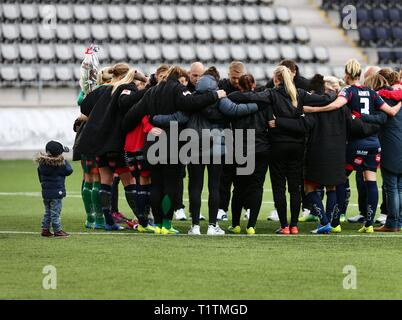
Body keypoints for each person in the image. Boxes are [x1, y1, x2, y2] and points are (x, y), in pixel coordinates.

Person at [122, 65, 227, 235]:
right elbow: (191, 103)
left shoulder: (151, 92)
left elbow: (131, 115)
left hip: (153, 143)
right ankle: (166, 224)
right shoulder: (179, 90)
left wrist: (144, 125)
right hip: (172, 143)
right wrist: (215, 94)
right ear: (180, 78)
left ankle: (157, 224)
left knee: (156, 185)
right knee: (171, 186)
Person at [304, 59, 401, 233]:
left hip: (354, 143)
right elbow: (392, 112)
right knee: (370, 181)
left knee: (340, 181)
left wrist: (312, 109)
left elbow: (335, 105)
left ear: (347, 75)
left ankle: (335, 223)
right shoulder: (371, 92)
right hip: (373, 143)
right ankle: (369, 224)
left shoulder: (348, 91)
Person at [75, 66, 151, 232]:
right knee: (128, 181)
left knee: (105, 181)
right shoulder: (126, 88)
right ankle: (143, 220)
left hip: (99, 142)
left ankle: (108, 221)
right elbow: (126, 103)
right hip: (116, 142)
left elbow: (84, 107)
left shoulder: (102, 90)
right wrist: (147, 84)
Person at [186, 67, 257, 235]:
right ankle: (212, 226)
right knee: (214, 187)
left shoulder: (192, 98)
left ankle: (195, 226)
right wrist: (255, 105)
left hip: (194, 145)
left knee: (194, 187)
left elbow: (181, 116)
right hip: (216, 146)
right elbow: (235, 110)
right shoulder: (220, 97)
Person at [225, 74, 270, 234]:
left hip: (240, 147)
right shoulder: (264, 101)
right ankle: (251, 225)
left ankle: (236, 224)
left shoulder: (233, 99)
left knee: (238, 187)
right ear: (254, 84)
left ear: (239, 85)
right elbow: (270, 123)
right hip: (260, 147)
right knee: (256, 186)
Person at [74, 66, 114, 230]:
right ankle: (99, 219)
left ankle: (90, 218)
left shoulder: (88, 92)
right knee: (98, 178)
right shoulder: (108, 93)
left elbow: (80, 103)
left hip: (84, 138)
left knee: (88, 178)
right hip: (98, 139)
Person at [361, 72, 402, 231]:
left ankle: (392, 223)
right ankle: (398, 222)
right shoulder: (397, 96)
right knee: (399, 187)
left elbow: (381, 119)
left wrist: (360, 117)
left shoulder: (382, 99)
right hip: (399, 143)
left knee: (391, 187)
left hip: (390, 146)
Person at [175, 62, 206, 222]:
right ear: (189, 74)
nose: (197, 78)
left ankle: (195, 210)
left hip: (197, 140)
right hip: (181, 136)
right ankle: (178, 207)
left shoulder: (205, 90)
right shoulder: (182, 90)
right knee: (179, 173)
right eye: (195, 75)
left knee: (196, 177)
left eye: (200, 75)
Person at [217, 61, 247, 221]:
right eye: (233, 77)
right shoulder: (221, 87)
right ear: (228, 75)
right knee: (225, 176)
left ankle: (247, 207)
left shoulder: (248, 86)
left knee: (244, 176)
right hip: (227, 137)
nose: (236, 81)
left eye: (238, 77)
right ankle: (222, 208)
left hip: (244, 137)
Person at [37, 141, 73, 238]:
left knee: (48, 211)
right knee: (55, 212)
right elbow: (69, 171)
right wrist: (64, 160)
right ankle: (57, 230)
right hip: (57, 192)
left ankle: (45, 229)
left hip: (46, 192)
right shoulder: (59, 164)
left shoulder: (42, 163)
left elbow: (40, 177)